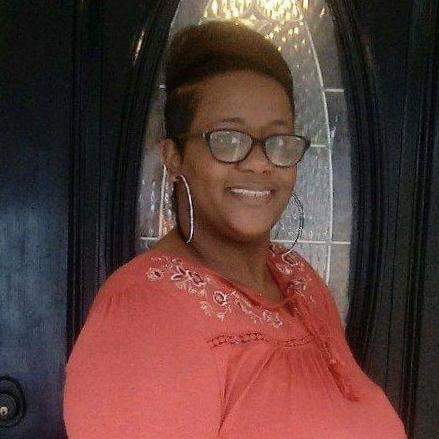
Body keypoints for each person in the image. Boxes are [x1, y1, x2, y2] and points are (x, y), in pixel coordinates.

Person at [63, 21, 407, 438]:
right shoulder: (141, 315)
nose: (259, 163)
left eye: (277, 140)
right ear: (174, 156)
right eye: (227, 139)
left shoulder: (298, 280)